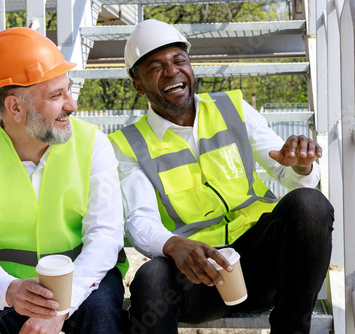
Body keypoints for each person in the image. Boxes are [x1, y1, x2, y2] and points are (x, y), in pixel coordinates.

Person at [108, 19, 334, 334]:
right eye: (155, 67)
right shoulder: (127, 145)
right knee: (151, 277)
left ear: (190, 66)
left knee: (310, 204)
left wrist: (299, 165)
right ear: (137, 84)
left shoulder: (232, 109)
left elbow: (291, 177)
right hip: (200, 276)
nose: (172, 71)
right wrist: (175, 246)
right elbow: (139, 219)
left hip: (265, 264)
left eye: (179, 61)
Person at [0, 27, 128, 334]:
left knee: (103, 316)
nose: (72, 105)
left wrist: (60, 307)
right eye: (57, 95)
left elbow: (105, 237)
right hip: (7, 284)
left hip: (83, 278)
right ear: (15, 107)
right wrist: (11, 291)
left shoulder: (94, 144)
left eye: (67, 90)